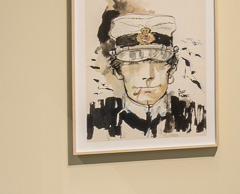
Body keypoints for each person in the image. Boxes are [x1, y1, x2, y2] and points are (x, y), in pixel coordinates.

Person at [87, 11, 206, 139]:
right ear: (118, 71)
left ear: (172, 69)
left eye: (158, 62)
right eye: (134, 64)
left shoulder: (196, 117)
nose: (148, 75)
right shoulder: (96, 118)